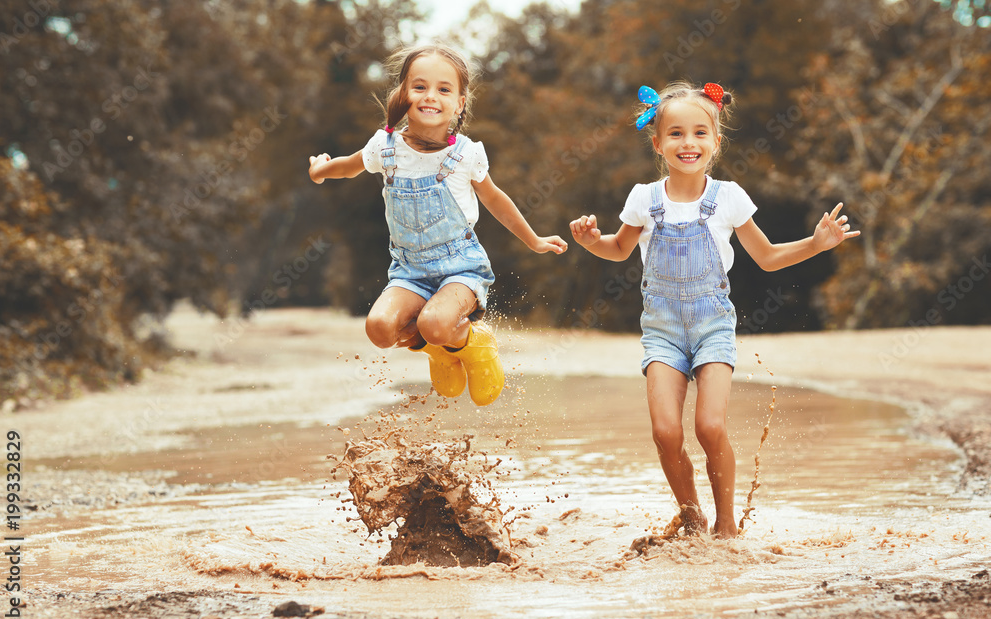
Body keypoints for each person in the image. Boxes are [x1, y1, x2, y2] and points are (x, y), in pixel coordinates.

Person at [569, 81, 859, 538]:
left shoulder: (728, 197)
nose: (689, 143)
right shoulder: (644, 198)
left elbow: (766, 257)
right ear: (657, 142)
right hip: (661, 330)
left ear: (716, 141)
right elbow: (619, 249)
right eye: (677, 134)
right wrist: (591, 242)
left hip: (712, 328)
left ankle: (726, 522)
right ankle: (691, 514)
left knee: (708, 426)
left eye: (700, 133)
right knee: (666, 432)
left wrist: (817, 244)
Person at [309, 44, 567, 406]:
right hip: (409, 271)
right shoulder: (384, 148)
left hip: (460, 267)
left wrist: (534, 240)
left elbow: (495, 199)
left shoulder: (466, 154)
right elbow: (348, 166)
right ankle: (437, 349)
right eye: (419, 87)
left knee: (434, 323)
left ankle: (473, 343)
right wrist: (320, 170)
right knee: (380, 329)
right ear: (402, 94)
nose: (431, 97)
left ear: (460, 103)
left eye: (444, 89)